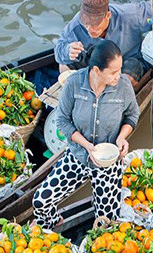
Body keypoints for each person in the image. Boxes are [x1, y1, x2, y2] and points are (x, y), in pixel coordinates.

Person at [33, 41, 139, 229]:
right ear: (97, 70)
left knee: (107, 222)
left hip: (108, 162)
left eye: (120, 70)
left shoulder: (123, 86)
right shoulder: (74, 84)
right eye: (113, 72)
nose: (119, 76)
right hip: (77, 157)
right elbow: (62, 120)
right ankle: (54, 225)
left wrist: (122, 136)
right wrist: (87, 146)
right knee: (41, 202)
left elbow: (132, 114)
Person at [55, 0, 153, 86]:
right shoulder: (76, 24)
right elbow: (59, 49)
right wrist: (67, 50)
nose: (89, 29)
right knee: (64, 65)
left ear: (108, 16)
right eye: (86, 24)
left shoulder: (129, 15)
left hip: (127, 59)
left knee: (126, 81)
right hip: (96, 61)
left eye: (95, 25)